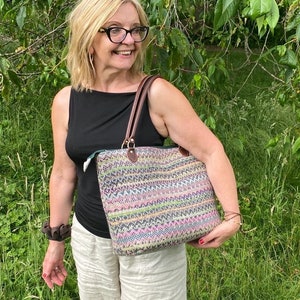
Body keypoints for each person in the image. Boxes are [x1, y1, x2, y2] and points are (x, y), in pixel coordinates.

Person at [41, 0, 241, 299]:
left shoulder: (156, 94)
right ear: (87, 37)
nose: (130, 40)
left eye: (136, 30)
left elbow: (211, 151)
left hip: (152, 244)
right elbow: (63, 175)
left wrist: (232, 216)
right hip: (90, 240)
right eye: (116, 31)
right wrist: (56, 241)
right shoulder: (67, 101)